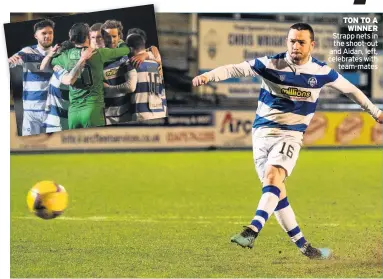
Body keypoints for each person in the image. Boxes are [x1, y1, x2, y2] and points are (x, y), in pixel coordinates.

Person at [192, 22, 383, 259]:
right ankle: (306, 248)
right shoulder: (271, 64)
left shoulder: (322, 72)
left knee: (273, 177)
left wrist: (376, 112)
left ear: (312, 45)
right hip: (262, 135)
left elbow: (351, 90)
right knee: (276, 192)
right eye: (292, 41)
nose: (296, 46)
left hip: (291, 134)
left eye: (301, 42)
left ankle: (252, 230)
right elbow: (235, 69)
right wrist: (209, 75)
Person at [42, 23, 148, 129]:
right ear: (88, 36)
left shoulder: (65, 56)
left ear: (72, 39)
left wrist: (51, 54)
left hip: (74, 112)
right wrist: (120, 42)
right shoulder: (100, 54)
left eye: (99, 37)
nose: (96, 40)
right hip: (93, 110)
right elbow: (128, 49)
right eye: (93, 37)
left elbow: (45, 65)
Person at [8, 19, 56, 136]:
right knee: (31, 146)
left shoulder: (58, 53)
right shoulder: (27, 52)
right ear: (36, 35)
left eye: (50, 33)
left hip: (52, 109)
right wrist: (9, 60)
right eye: (43, 33)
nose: (47, 36)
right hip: (31, 110)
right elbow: (10, 62)